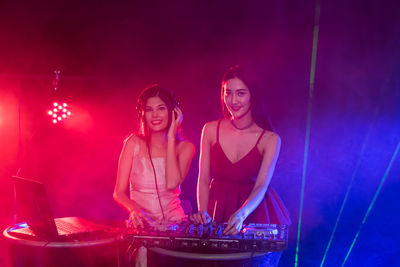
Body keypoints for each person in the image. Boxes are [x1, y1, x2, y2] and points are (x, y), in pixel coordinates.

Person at [191, 65, 291, 266]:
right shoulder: (210, 129)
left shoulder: (270, 139)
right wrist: (203, 212)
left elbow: (261, 185)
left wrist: (241, 214)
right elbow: (203, 178)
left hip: (255, 212)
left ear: (253, 95)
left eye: (241, 93)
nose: (233, 101)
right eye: (228, 93)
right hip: (217, 208)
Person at [113, 84, 195, 229]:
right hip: (142, 224)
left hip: (176, 225)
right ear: (142, 114)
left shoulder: (185, 148)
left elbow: (171, 184)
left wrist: (171, 137)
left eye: (161, 108)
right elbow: (118, 192)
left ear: (173, 112)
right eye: (149, 110)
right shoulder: (133, 143)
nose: (155, 115)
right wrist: (134, 209)